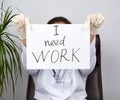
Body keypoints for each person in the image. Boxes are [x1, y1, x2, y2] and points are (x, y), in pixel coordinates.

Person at [12, 13, 104, 100]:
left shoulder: (77, 52)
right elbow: (30, 68)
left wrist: (91, 32)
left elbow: (87, 68)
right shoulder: (40, 53)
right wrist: (25, 37)